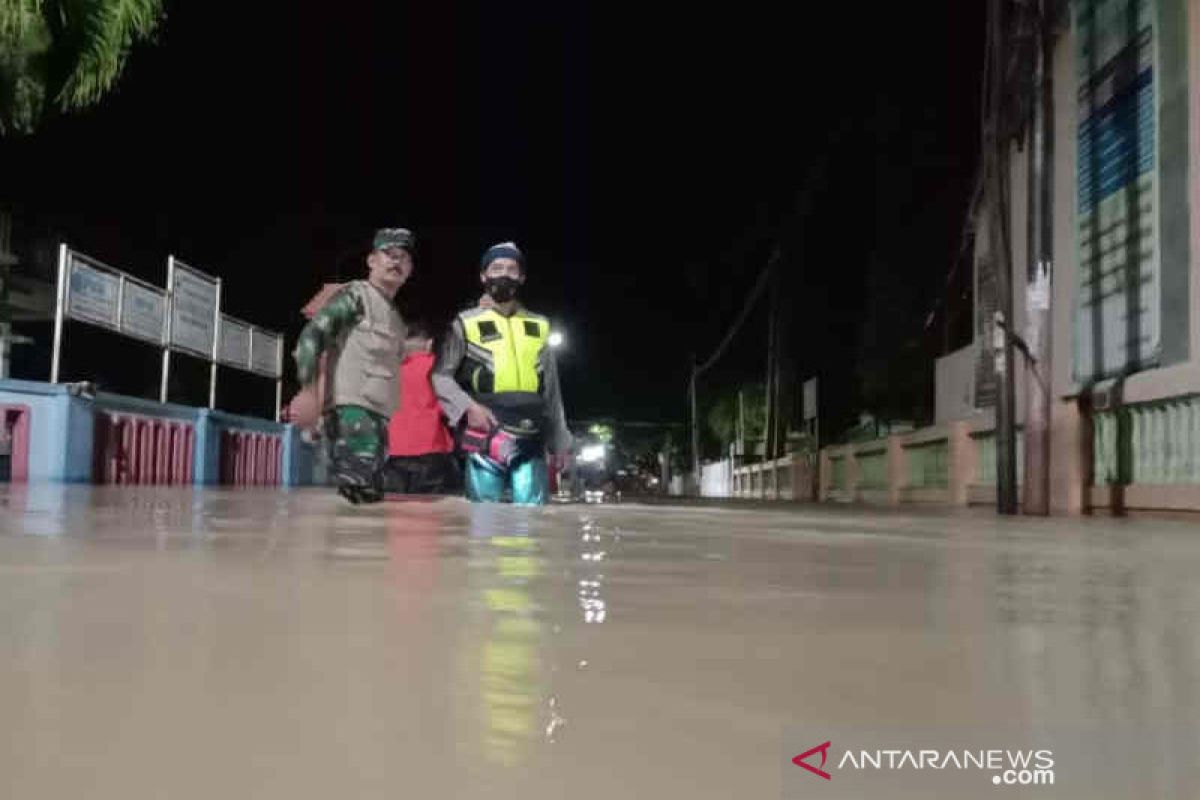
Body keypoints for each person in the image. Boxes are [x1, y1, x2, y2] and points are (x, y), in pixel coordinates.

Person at [432, 241, 572, 505]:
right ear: (483, 276)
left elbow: (552, 390)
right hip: (485, 430)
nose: (504, 275)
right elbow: (440, 376)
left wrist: (561, 441)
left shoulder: (539, 325)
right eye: (496, 268)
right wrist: (467, 407)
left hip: (531, 432)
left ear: (522, 277)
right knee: (482, 518)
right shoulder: (465, 323)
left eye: (511, 268)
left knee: (533, 519)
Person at [291, 228, 412, 504]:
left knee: (367, 504)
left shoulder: (396, 318)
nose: (396, 262)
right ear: (371, 261)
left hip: (378, 420)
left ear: (410, 269)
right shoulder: (355, 296)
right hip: (352, 416)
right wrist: (309, 393)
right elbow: (311, 339)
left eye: (403, 257)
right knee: (357, 499)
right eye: (389, 255)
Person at [382, 320, 459, 494]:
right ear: (429, 343)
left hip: (395, 450)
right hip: (430, 448)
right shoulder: (437, 368)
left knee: (396, 510)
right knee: (430, 511)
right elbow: (448, 406)